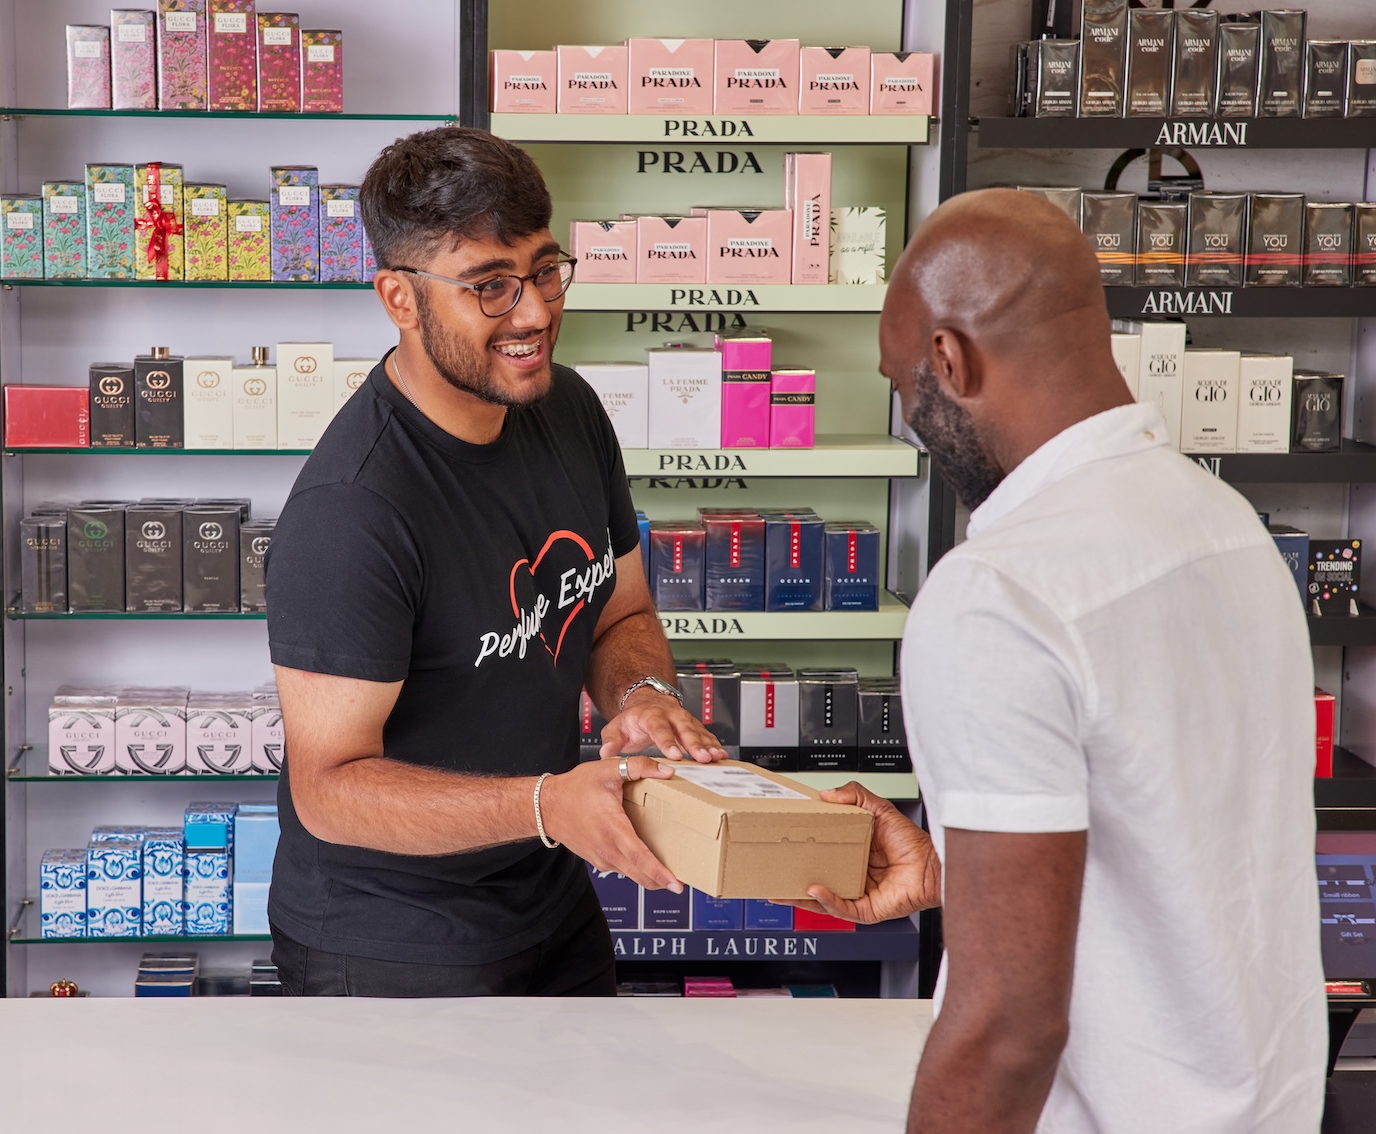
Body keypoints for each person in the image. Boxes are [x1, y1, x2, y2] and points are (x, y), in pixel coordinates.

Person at [794, 189, 1326, 1131]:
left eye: (900, 383)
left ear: (949, 361)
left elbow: (1010, 1027)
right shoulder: (1226, 530)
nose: (909, 419)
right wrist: (959, 864)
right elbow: (1179, 848)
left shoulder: (997, 594)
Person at [262, 126, 728, 997]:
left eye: (545, 271)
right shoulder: (354, 511)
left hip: (551, 898)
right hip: (392, 941)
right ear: (398, 297)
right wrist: (548, 805)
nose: (534, 313)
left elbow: (619, 612)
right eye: (490, 286)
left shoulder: (569, 409)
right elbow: (329, 789)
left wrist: (642, 698)